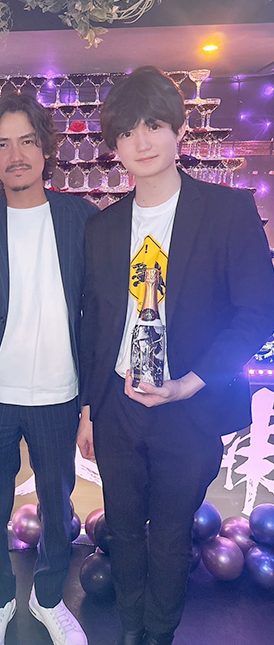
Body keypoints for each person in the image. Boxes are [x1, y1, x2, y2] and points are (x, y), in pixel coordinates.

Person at [78, 66, 274, 645]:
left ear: (180, 129)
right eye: (127, 131)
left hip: (190, 405)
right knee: (123, 530)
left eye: (154, 125)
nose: (141, 142)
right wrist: (89, 408)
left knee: (169, 533)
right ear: (114, 146)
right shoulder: (103, 227)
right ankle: (129, 629)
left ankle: (158, 633)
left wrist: (191, 381)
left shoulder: (227, 210)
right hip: (118, 404)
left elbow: (257, 310)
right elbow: (95, 324)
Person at [0, 92, 97, 645]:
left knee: (58, 504)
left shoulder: (82, 218)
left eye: (28, 141)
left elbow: (99, 311)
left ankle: (49, 596)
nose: (16, 155)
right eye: (3, 144)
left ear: (46, 148)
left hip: (60, 391)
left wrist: (92, 402)